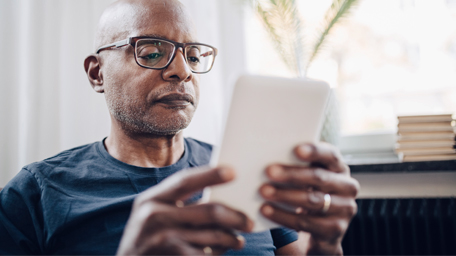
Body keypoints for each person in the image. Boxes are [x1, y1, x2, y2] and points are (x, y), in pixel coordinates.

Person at [0, 0, 359, 255]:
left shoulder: (247, 174)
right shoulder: (33, 194)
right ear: (97, 73)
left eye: (192, 56)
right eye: (153, 52)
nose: (182, 71)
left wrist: (327, 247)